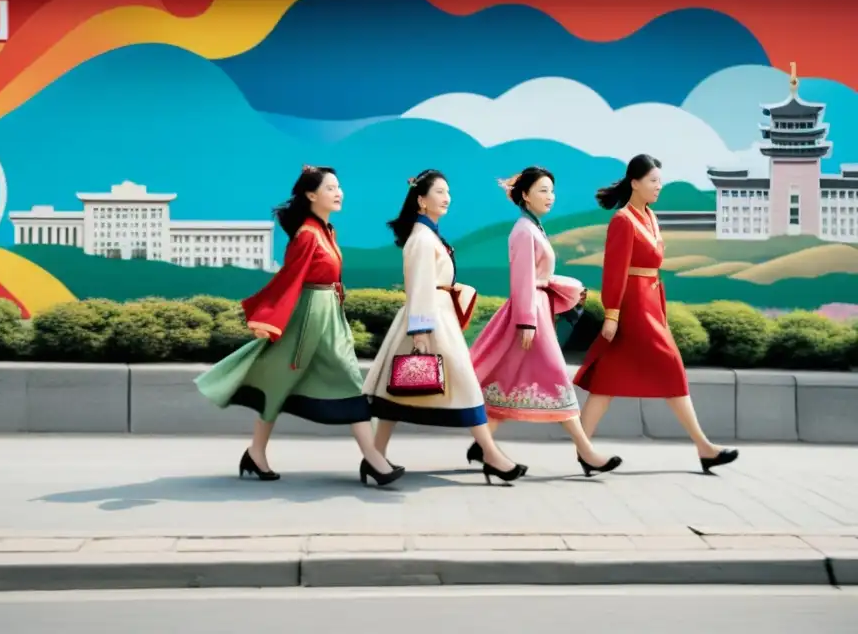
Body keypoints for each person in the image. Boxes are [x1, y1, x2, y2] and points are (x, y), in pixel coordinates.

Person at [195, 165, 405, 488]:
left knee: (286, 383)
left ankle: (258, 452)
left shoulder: (325, 231)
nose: (339, 193)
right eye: (331, 188)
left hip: (327, 319)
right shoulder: (308, 235)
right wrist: (268, 319)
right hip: (307, 322)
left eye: (338, 187)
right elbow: (288, 280)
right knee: (322, 382)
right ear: (311, 195)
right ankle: (374, 461)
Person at [573, 154, 739, 474]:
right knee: (672, 368)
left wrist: (659, 310)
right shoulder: (623, 220)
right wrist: (612, 314)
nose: (658, 186)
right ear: (634, 183)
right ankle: (704, 447)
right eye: (652, 181)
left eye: (660, 181)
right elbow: (615, 271)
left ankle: (584, 448)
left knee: (607, 379)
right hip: (633, 308)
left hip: (650, 303)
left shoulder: (650, 216)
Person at [363, 169, 528, 485]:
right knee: (465, 385)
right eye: (439, 191)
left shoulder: (429, 236)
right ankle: (491, 455)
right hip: (429, 321)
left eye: (448, 192)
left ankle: (374, 456)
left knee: (393, 396)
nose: (447, 197)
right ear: (421, 201)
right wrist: (421, 331)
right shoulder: (422, 238)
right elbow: (420, 285)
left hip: (434, 318)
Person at [469, 167, 623, 477]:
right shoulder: (524, 230)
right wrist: (527, 322)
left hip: (535, 312)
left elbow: (538, 277)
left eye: (551, 190)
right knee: (555, 379)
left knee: (508, 381)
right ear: (525, 195)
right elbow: (522, 279)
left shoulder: (533, 227)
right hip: (530, 317)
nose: (550, 196)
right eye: (542, 190)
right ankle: (586, 451)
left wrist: (563, 288)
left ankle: (484, 447)